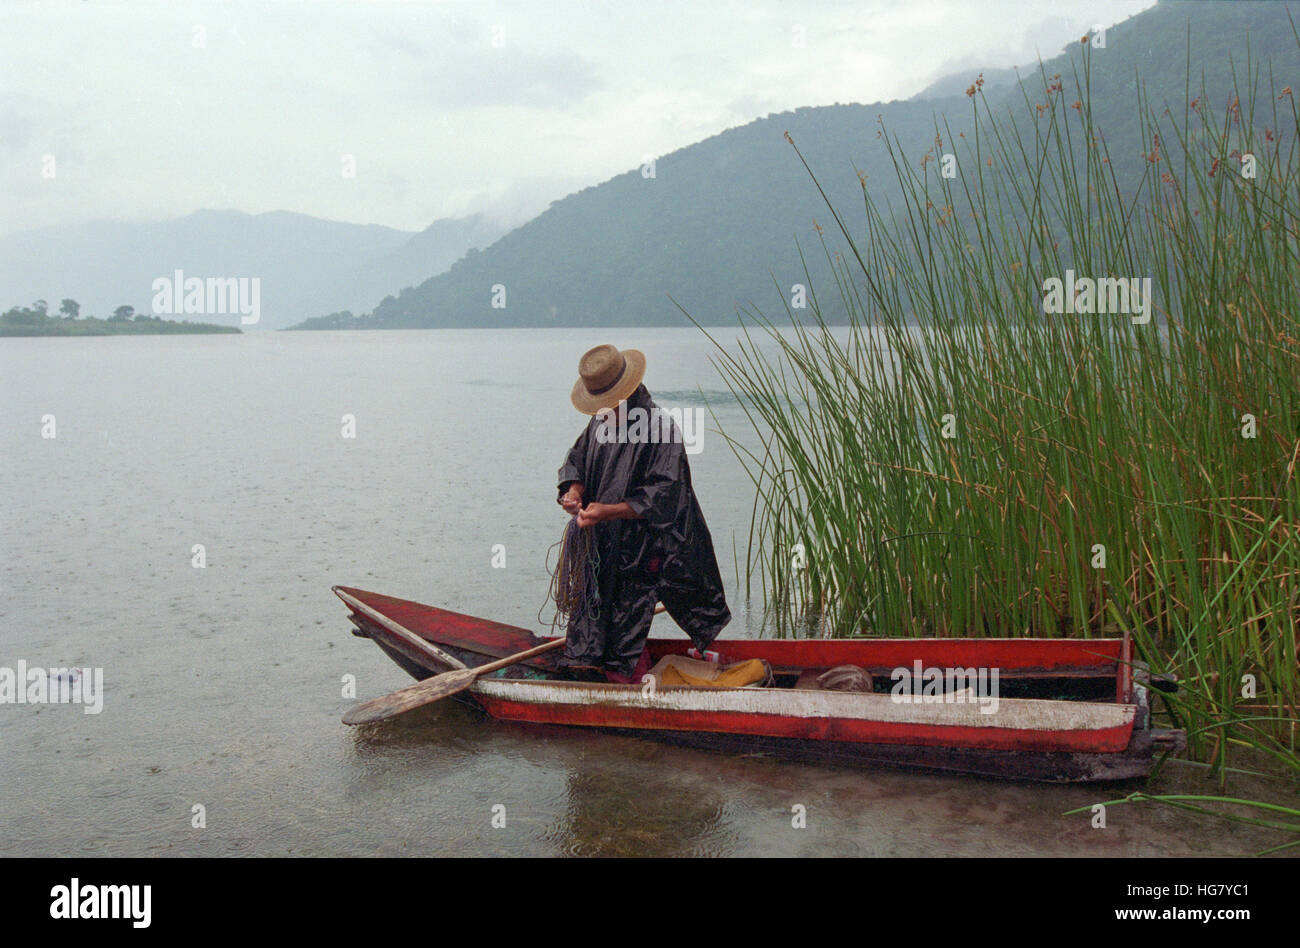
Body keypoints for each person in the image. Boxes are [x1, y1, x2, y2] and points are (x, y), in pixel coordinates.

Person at [556, 344, 731, 683]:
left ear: (628, 392)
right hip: (603, 544)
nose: (602, 412)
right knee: (596, 613)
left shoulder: (661, 430)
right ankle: (602, 669)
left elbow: (666, 495)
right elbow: (574, 461)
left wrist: (609, 511)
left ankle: (626, 679)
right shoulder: (599, 425)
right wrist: (574, 491)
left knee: (629, 614)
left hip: (649, 547)